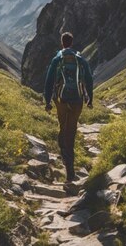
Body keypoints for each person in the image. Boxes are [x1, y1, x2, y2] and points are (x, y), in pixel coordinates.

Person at [44, 32, 93, 183]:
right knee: (71, 132)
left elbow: (49, 80)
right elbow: (89, 79)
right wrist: (90, 99)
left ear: (62, 42)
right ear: (71, 42)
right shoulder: (80, 59)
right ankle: (70, 169)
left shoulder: (57, 59)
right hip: (77, 100)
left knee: (62, 128)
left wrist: (47, 101)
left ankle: (67, 162)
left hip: (61, 99)